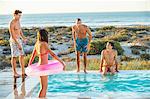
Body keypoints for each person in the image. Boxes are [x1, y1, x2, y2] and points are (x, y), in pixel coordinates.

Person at [28, 29, 65, 98]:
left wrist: (29, 65)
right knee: (44, 87)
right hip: (43, 67)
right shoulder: (44, 44)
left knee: (44, 86)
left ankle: (44, 97)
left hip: (40, 66)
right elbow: (52, 54)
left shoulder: (37, 43)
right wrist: (61, 62)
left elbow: (33, 55)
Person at [9, 10, 27, 78]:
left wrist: (23, 38)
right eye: (19, 15)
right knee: (14, 57)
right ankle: (15, 73)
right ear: (15, 15)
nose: (20, 17)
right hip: (14, 41)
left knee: (22, 55)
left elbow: (20, 30)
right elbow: (12, 35)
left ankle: (23, 72)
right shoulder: (12, 23)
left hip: (19, 40)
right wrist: (18, 44)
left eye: (20, 15)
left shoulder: (18, 21)